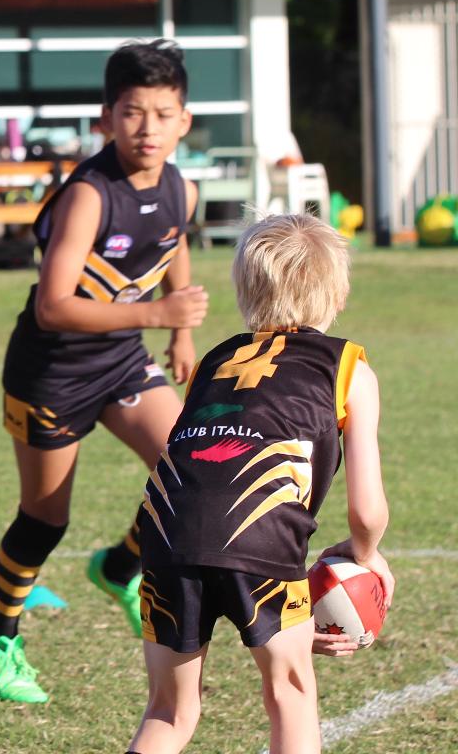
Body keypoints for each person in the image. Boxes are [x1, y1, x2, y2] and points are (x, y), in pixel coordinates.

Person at [0, 40, 206, 703]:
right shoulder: (89, 196)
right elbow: (52, 307)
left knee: (191, 468)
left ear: (185, 120)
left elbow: (173, 244)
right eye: (133, 112)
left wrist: (181, 330)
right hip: (52, 375)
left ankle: (122, 564)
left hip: (123, 360)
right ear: (106, 118)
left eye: (164, 113)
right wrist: (160, 314)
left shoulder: (179, 185)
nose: (149, 128)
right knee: (45, 520)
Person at [126, 213, 392, 754]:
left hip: (164, 536)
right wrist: (368, 556)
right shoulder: (347, 367)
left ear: (245, 291)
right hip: (260, 538)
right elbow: (366, 513)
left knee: (169, 711)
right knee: (290, 694)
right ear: (338, 292)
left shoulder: (213, 360)